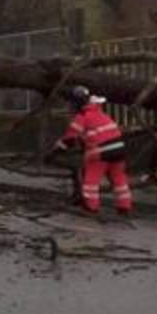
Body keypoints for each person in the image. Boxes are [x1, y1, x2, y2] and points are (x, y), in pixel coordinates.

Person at [54, 85, 132, 217]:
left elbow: (70, 138)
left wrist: (57, 149)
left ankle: (91, 207)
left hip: (101, 151)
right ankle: (124, 207)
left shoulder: (82, 116)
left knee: (91, 181)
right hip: (119, 149)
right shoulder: (101, 113)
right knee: (119, 180)